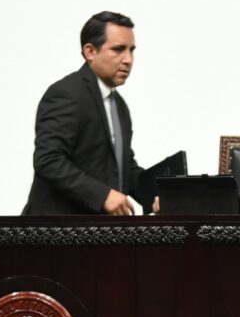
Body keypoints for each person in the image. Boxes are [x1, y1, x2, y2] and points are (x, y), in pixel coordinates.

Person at [23, 11, 156, 215]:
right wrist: (102, 196)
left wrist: (158, 195)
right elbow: (48, 160)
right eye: (118, 49)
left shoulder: (119, 105)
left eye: (131, 50)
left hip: (96, 237)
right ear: (90, 52)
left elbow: (123, 168)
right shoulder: (66, 94)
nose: (128, 59)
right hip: (56, 235)